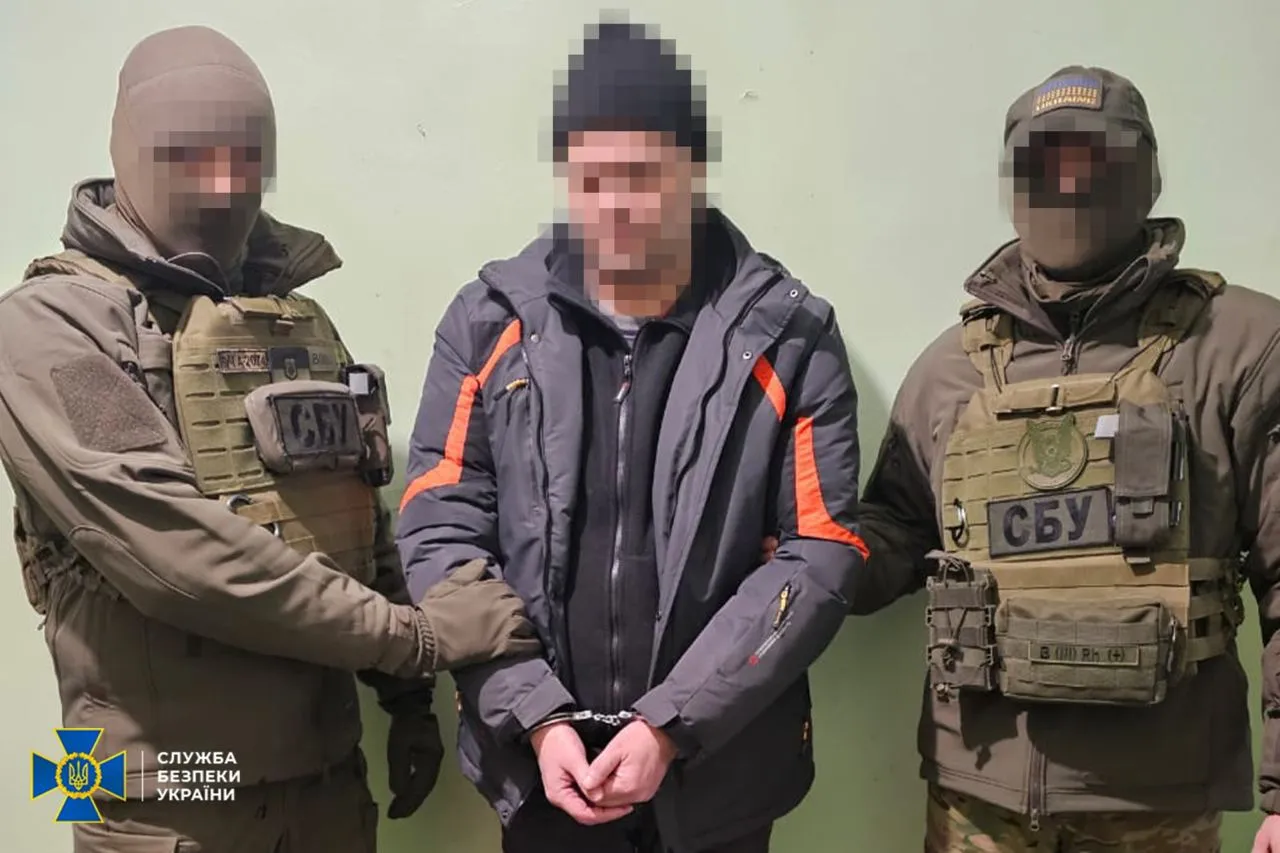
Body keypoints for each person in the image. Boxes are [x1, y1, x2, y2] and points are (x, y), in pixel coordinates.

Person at [0, 26, 539, 853]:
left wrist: (404, 699)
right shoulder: (50, 332)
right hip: (169, 800)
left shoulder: (285, 318)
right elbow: (175, 551)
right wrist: (415, 641)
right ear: (132, 150)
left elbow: (350, 506)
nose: (224, 184)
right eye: (191, 154)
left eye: (245, 157)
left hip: (325, 783)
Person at [396, 17, 868, 853]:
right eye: (591, 177)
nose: (613, 205)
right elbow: (441, 531)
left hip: (720, 778)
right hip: (542, 776)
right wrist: (535, 714)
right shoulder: (488, 324)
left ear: (693, 170)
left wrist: (672, 724)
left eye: (643, 175)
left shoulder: (788, 336)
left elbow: (821, 553)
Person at [854, 64, 1280, 852]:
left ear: (1146, 174)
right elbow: (897, 529)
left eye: (1097, 160)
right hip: (976, 796)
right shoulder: (951, 368)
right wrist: (811, 558)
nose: (1071, 185)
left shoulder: (1240, 347)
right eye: (1045, 164)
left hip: (1156, 801)